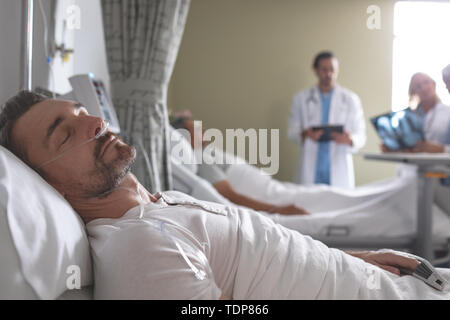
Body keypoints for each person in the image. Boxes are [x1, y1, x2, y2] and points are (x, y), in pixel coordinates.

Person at [3, 90, 450, 300]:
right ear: (50, 186)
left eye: (82, 111)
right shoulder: (139, 247)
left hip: (392, 281)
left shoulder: (162, 204)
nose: (95, 122)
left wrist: (356, 261)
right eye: (65, 135)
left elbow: (270, 256)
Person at [169, 112, 308, 215]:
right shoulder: (200, 157)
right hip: (273, 197)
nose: (204, 132)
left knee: (324, 194)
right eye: (196, 129)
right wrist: (277, 210)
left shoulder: (208, 152)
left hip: (276, 189)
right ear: (185, 138)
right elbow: (229, 195)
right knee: (325, 196)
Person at [287, 51, 366, 189]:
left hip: (339, 170)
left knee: (340, 208)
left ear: (337, 70)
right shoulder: (301, 99)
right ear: (315, 70)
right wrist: (306, 134)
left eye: (332, 69)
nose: (328, 74)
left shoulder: (351, 100)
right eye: (324, 70)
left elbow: (361, 135)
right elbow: (291, 131)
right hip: (310, 170)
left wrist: (350, 139)